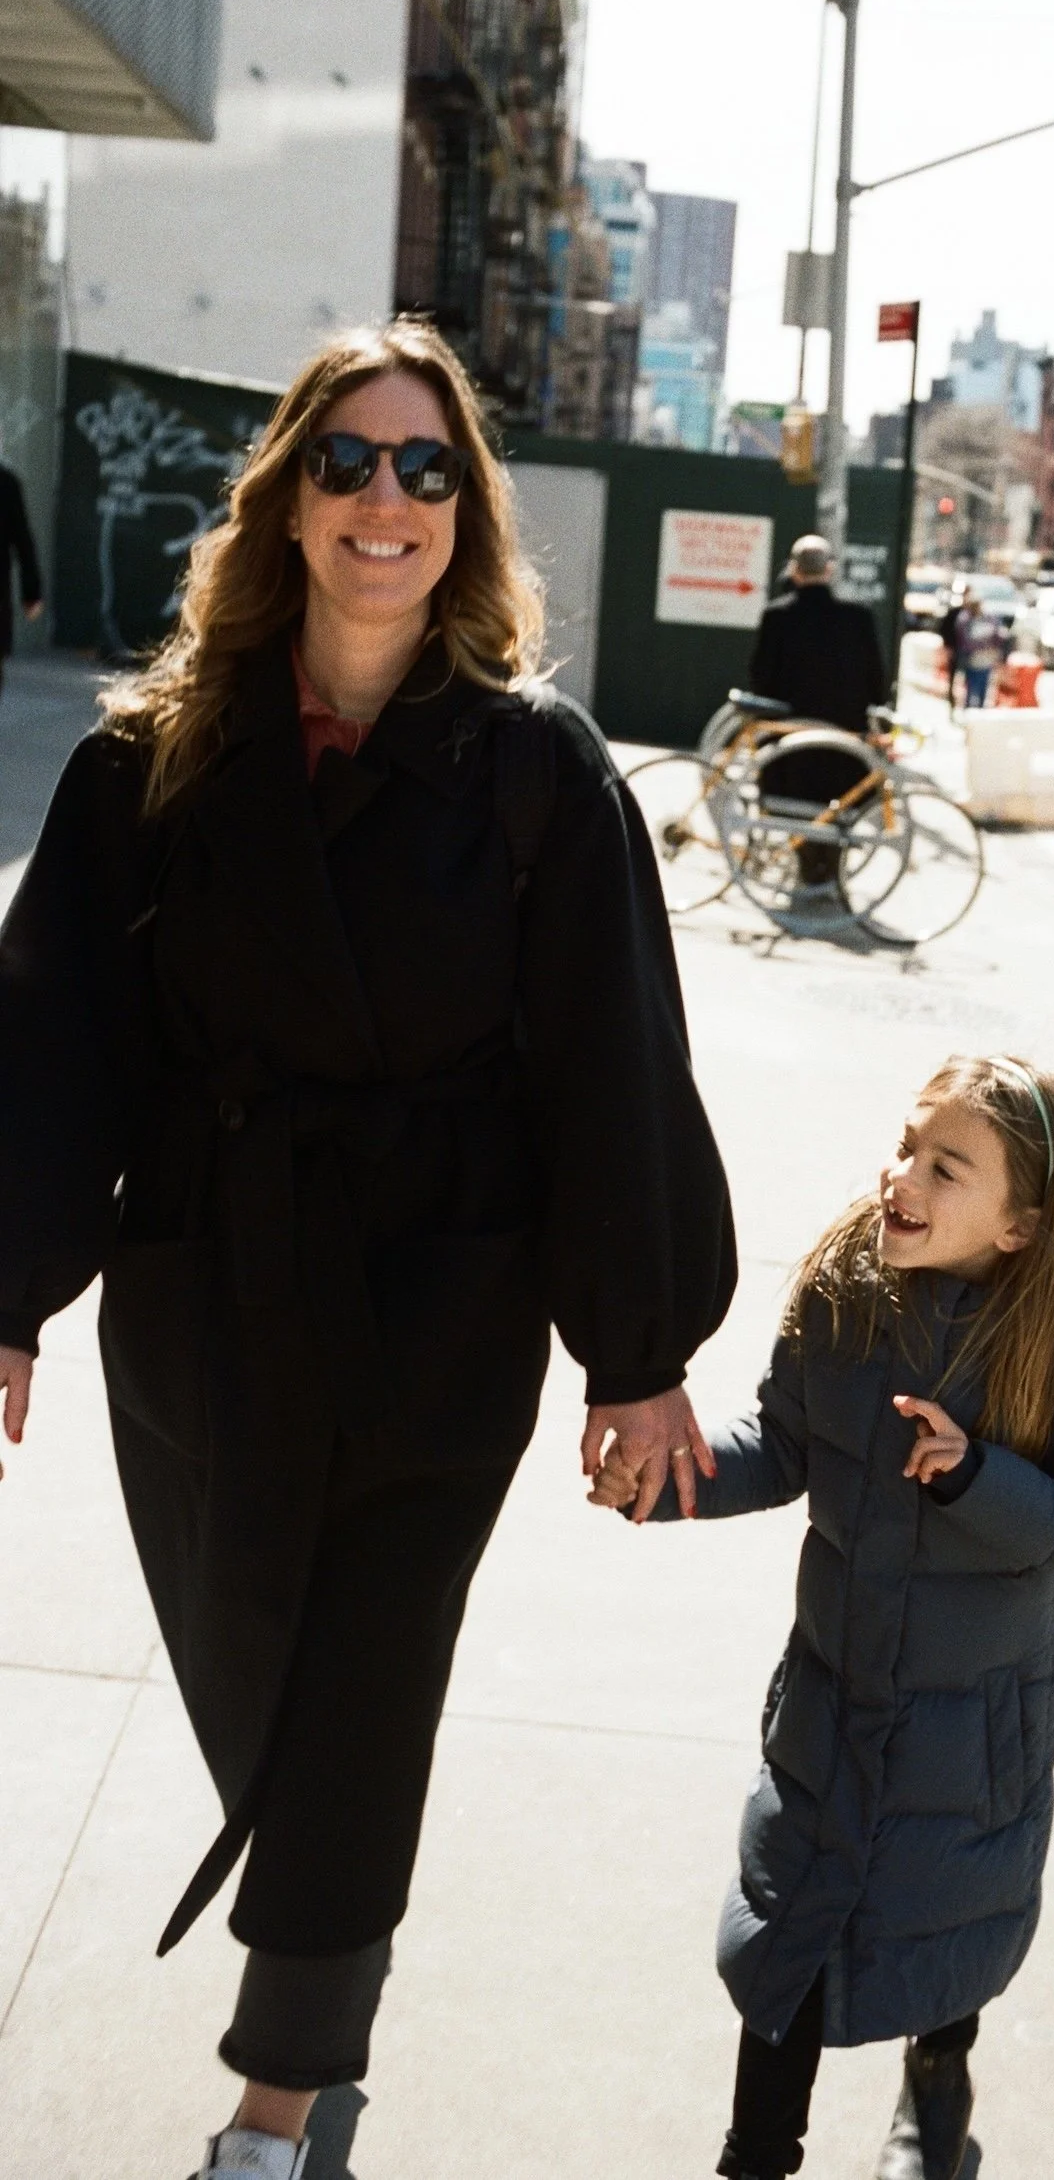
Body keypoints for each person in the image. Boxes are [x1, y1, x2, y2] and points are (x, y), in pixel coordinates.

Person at [0, 320, 736, 2180]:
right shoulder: (151, 759)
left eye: (426, 467)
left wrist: (633, 1349)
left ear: (467, 514)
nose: (384, 499)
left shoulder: (537, 777)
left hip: (443, 1299)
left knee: (362, 1685)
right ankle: (331, 1978)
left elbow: (613, 1059)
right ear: (287, 501)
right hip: (202, 1290)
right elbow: (54, 1036)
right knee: (255, 1666)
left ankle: (277, 2104)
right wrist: (4, 1285)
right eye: (347, 461)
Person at [592, 1052, 1054, 2180]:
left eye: (945, 1165)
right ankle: (755, 2155)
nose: (900, 1176)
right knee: (788, 1943)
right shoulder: (842, 1294)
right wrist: (669, 1479)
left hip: (970, 1739)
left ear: (1020, 1226)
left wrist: (979, 1479)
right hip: (830, 1698)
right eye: (907, 1144)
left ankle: (937, 2094)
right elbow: (780, 1446)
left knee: (943, 1931)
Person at [747, 533, 889, 895]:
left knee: (797, 796)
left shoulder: (776, 616)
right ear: (830, 570)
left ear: (794, 570)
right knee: (839, 800)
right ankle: (829, 868)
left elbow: (760, 681)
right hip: (845, 754)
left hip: (791, 755)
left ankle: (808, 864)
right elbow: (878, 683)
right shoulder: (858, 619)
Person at [0, 438, 45, 698]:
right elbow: (23, 541)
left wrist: (32, 591)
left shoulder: (7, 484)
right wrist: (32, 593)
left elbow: (23, 542)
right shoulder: (6, 484)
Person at [954, 592, 1005, 710]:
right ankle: (968, 710)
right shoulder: (965, 619)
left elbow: (998, 635)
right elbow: (963, 639)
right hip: (971, 659)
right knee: (971, 687)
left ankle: (980, 710)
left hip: (985, 659)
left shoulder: (989, 619)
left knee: (983, 687)